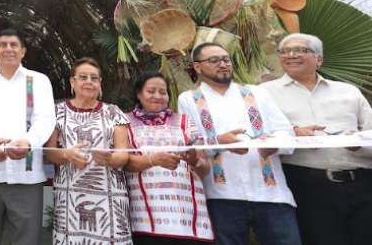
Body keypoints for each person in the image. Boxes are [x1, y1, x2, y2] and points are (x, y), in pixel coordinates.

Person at [177, 42, 300, 245]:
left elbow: (285, 131)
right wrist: (219, 142)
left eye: (226, 59)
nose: (223, 64)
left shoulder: (257, 93)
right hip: (222, 195)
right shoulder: (189, 99)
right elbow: (190, 144)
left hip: (271, 193)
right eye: (214, 60)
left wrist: (274, 145)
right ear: (197, 67)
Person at [261, 33, 372, 245]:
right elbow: (257, 136)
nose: (291, 55)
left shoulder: (348, 91)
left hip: (362, 183)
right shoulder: (262, 93)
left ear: (319, 59)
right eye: (285, 51)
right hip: (306, 184)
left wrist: (358, 145)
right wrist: (293, 133)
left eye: (301, 50)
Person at [0, 28, 55, 245]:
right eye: (3, 45)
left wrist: (28, 142)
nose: (8, 49)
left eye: (14, 44)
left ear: (23, 51)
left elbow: (45, 119)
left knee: (26, 238)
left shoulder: (39, 80)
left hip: (27, 177)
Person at [45, 57, 131, 245]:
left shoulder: (113, 112)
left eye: (94, 78)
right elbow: (49, 152)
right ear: (72, 82)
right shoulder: (57, 111)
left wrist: (109, 158)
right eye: (83, 77)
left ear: (100, 84)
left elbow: (123, 154)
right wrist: (66, 154)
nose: (89, 82)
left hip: (109, 196)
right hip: (69, 196)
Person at [123, 72, 214, 244]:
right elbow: (123, 162)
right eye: (151, 91)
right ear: (138, 94)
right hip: (146, 219)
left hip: (191, 217)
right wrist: (153, 160)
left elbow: (205, 167)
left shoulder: (186, 122)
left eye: (163, 92)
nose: (157, 96)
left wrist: (194, 160)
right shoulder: (123, 122)